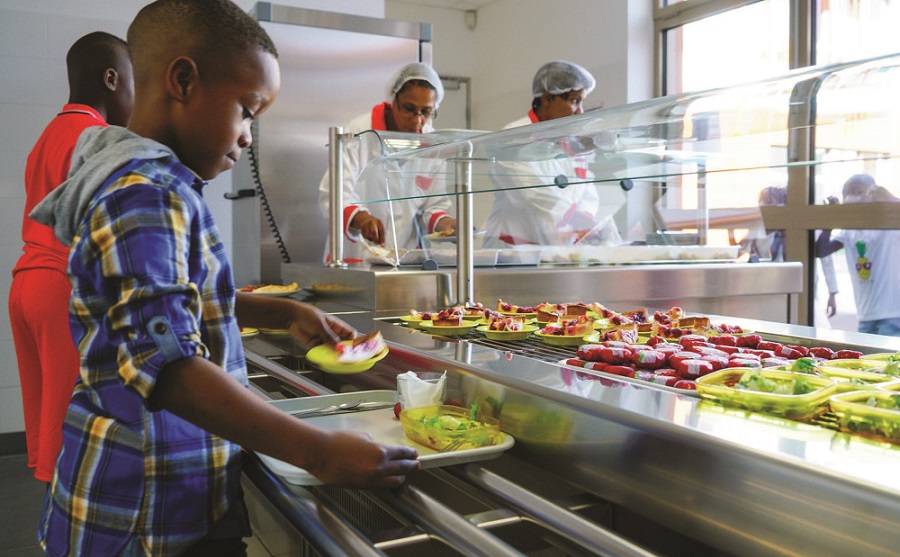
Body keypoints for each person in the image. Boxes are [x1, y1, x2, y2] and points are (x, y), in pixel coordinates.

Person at [29, 1, 419, 555]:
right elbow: (169, 368)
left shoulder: (155, 186)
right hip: (143, 516)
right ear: (183, 80)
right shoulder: (146, 196)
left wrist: (282, 312)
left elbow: (176, 304)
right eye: (247, 111)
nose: (248, 138)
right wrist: (319, 452)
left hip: (164, 495)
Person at [7, 31, 133, 484]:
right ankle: (69, 529)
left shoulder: (48, 134)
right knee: (72, 435)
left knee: (47, 425)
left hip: (25, 286)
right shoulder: (97, 136)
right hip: (61, 290)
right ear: (113, 79)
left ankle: (52, 520)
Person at [317, 62, 457, 262]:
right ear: (393, 100)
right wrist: (361, 218)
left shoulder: (432, 145)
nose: (417, 121)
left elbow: (435, 205)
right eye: (409, 109)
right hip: (356, 256)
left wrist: (446, 224)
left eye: (426, 112)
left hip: (403, 258)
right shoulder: (360, 131)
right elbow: (332, 194)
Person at [483, 60, 622, 248]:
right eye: (574, 101)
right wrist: (581, 222)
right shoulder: (513, 137)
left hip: (556, 250)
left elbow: (586, 190)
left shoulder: (569, 142)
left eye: (581, 102)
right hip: (512, 251)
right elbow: (533, 194)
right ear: (547, 99)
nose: (579, 111)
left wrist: (587, 226)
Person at [816, 174, 900, 336]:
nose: (851, 196)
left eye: (857, 191)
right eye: (846, 192)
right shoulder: (849, 230)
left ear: (873, 194)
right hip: (865, 314)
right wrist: (828, 220)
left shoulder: (889, 226)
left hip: (893, 313)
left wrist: (888, 198)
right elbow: (821, 250)